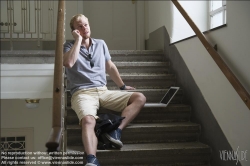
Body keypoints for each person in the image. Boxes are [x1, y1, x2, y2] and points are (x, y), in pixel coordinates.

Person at [63, 14, 146, 166]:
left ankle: (116, 132)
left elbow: (110, 66)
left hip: (103, 90)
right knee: (88, 120)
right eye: (79, 26)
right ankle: (92, 160)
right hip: (82, 93)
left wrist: (122, 86)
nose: (84, 28)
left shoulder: (101, 44)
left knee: (139, 98)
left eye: (86, 25)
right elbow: (68, 63)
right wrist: (78, 41)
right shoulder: (69, 46)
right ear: (74, 31)